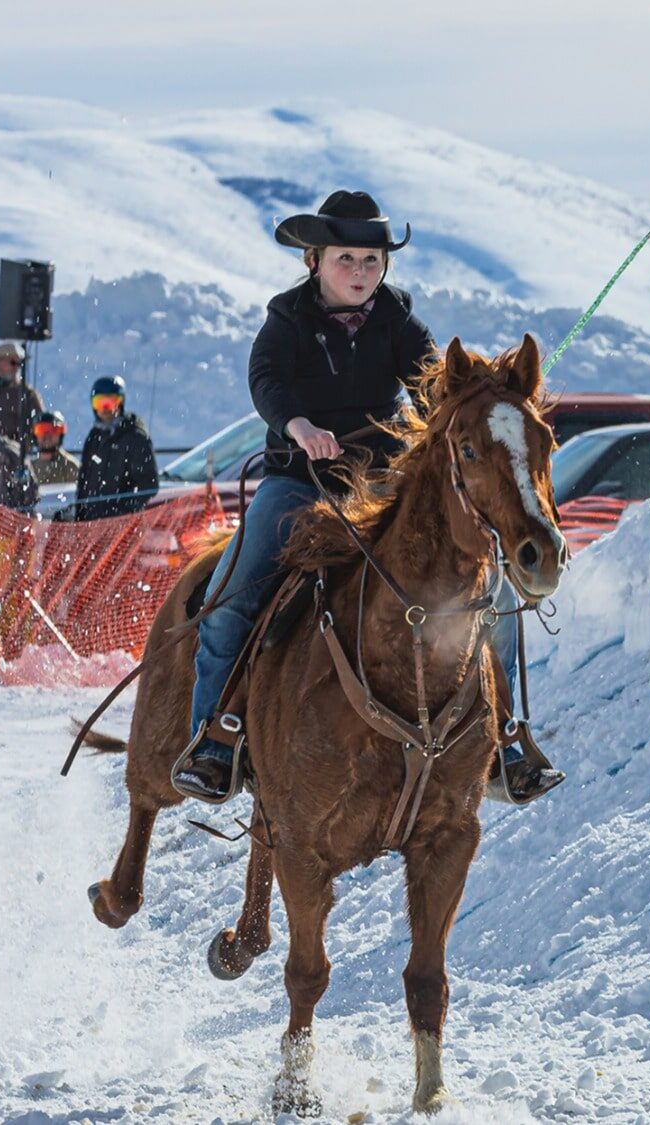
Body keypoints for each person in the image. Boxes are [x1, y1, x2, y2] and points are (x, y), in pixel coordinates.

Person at [171, 189, 437, 802]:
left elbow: (431, 385)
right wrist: (299, 427)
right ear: (314, 261)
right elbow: (266, 379)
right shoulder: (287, 317)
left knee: (469, 579)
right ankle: (212, 740)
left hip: (379, 485)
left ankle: (499, 737)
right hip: (298, 484)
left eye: (372, 260)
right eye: (348, 259)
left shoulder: (398, 319)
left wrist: (456, 407)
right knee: (229, 597)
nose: (362, 272)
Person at [73, 376, 159, 520]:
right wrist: (79, 518)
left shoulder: (135, 436)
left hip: (121, 527)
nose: (105, 409)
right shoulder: (94, 437)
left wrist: (122, 514)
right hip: (92, 526)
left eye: (111, 402)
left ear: (121, 403)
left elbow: (148, 485)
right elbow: (84, 484)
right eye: (100, 403)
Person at [29, 409, 81, 486]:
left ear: (61, 434)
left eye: (53, 430)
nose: (47, 436)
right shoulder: (29, 468)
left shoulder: (71, 467)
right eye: (41, 430)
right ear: (34, 434)